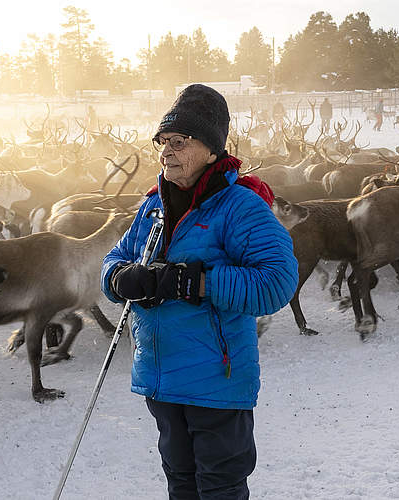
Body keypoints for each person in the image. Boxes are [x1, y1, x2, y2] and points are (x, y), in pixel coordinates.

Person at [102, 84, 299, 500]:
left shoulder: (240, 207)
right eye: (163, 142)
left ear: (211, 149)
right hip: (161, 377)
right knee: (181, 486)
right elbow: (115, 257)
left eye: (179, 142)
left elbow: (278, 281)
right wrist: (120, 278)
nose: (166, 152)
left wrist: (199, 282)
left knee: (220, 490)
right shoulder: (153, 205)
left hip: (216, 382)